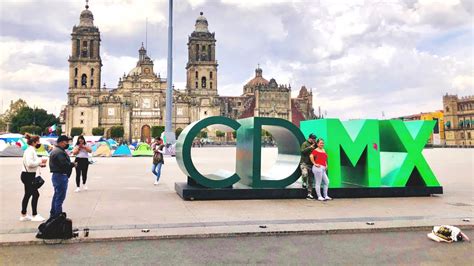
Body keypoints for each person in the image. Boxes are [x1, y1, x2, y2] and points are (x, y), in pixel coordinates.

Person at [20, 133, 47, 222]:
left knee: (28, 194)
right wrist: (40, 161)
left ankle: (23, 214)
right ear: (35, 142)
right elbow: (30, 163)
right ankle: (34, 215)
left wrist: (39, 164)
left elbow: (31, 164)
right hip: (28, 176)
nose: (39, 143)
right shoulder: (30, 150)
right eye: (38, 141)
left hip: (27, 174)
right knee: (35, 194)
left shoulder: (30, 150)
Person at [49, 135, 76, 218]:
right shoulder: (59, 152)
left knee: (57, 195)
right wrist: (72, 164)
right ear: (61, 142)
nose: (67, 143)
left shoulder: (57, 150)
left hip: (57, 176)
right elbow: (64, 164)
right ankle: (58, 216)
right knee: (60, 197)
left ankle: (53, 214)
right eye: (66, 142)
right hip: (60, 176)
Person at [300, 133, 317, 200]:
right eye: (313, 139)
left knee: (311, 180)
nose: (314, 140)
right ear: (309, 138)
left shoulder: (315, 145)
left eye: (314, 139)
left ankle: (309, 194)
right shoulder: (305, 144)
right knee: (305, 174)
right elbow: (302, 151)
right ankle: (304, 182)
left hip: (312, 164)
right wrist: (310, 147)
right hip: (304, 163)